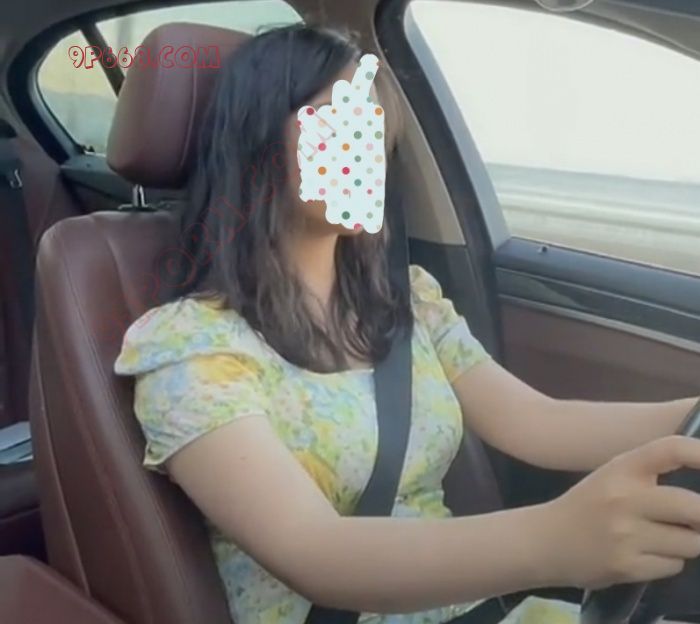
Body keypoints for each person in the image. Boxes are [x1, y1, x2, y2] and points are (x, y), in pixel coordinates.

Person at [114, 24, 699, 624]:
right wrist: (554, 539)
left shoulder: (408, 301)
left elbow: (537, 422)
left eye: (375, 129)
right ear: (259, 135)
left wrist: (691, 419)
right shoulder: (188, 347)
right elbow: (317, 553)